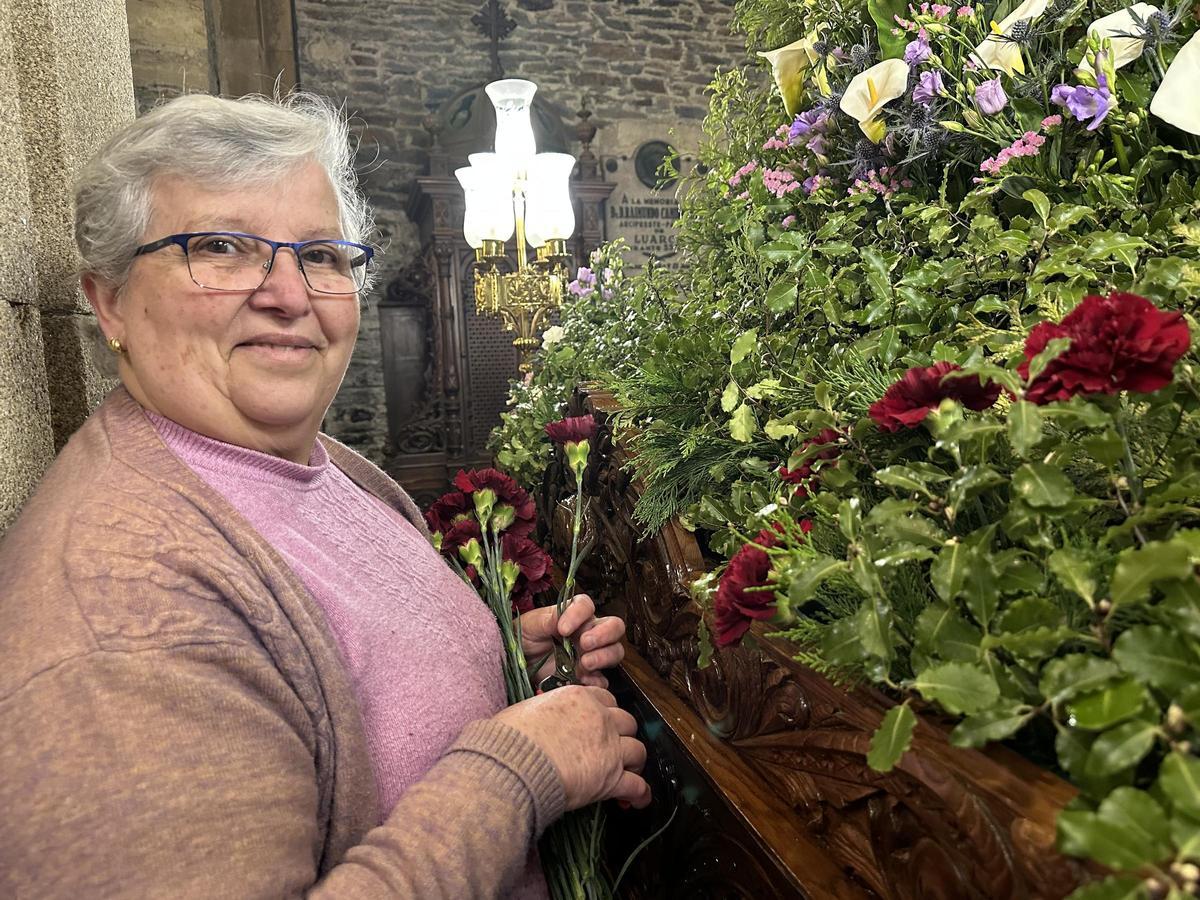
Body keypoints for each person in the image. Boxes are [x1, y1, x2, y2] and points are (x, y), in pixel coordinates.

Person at [0, 92, 650, 898]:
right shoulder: (119, 606)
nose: (290, 294)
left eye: (320, 254)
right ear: (109, 303)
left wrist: (502, 667)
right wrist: (521, 772)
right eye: (221, 247)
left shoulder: (313, 463)